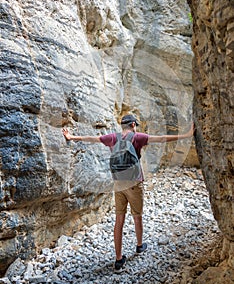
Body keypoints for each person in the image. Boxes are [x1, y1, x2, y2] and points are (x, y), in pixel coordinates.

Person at [63, 114, 194, 272]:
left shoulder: (113, 138)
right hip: (134, 185)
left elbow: (92, 138)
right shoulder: (137, 137)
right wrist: (186, 135)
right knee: (137, 216)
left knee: (119, 221)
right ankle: (139, 246)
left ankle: (118, 260)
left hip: (118, 184)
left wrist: (71, 137)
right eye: (135, 125)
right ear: (133, 125)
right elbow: (161, 138)